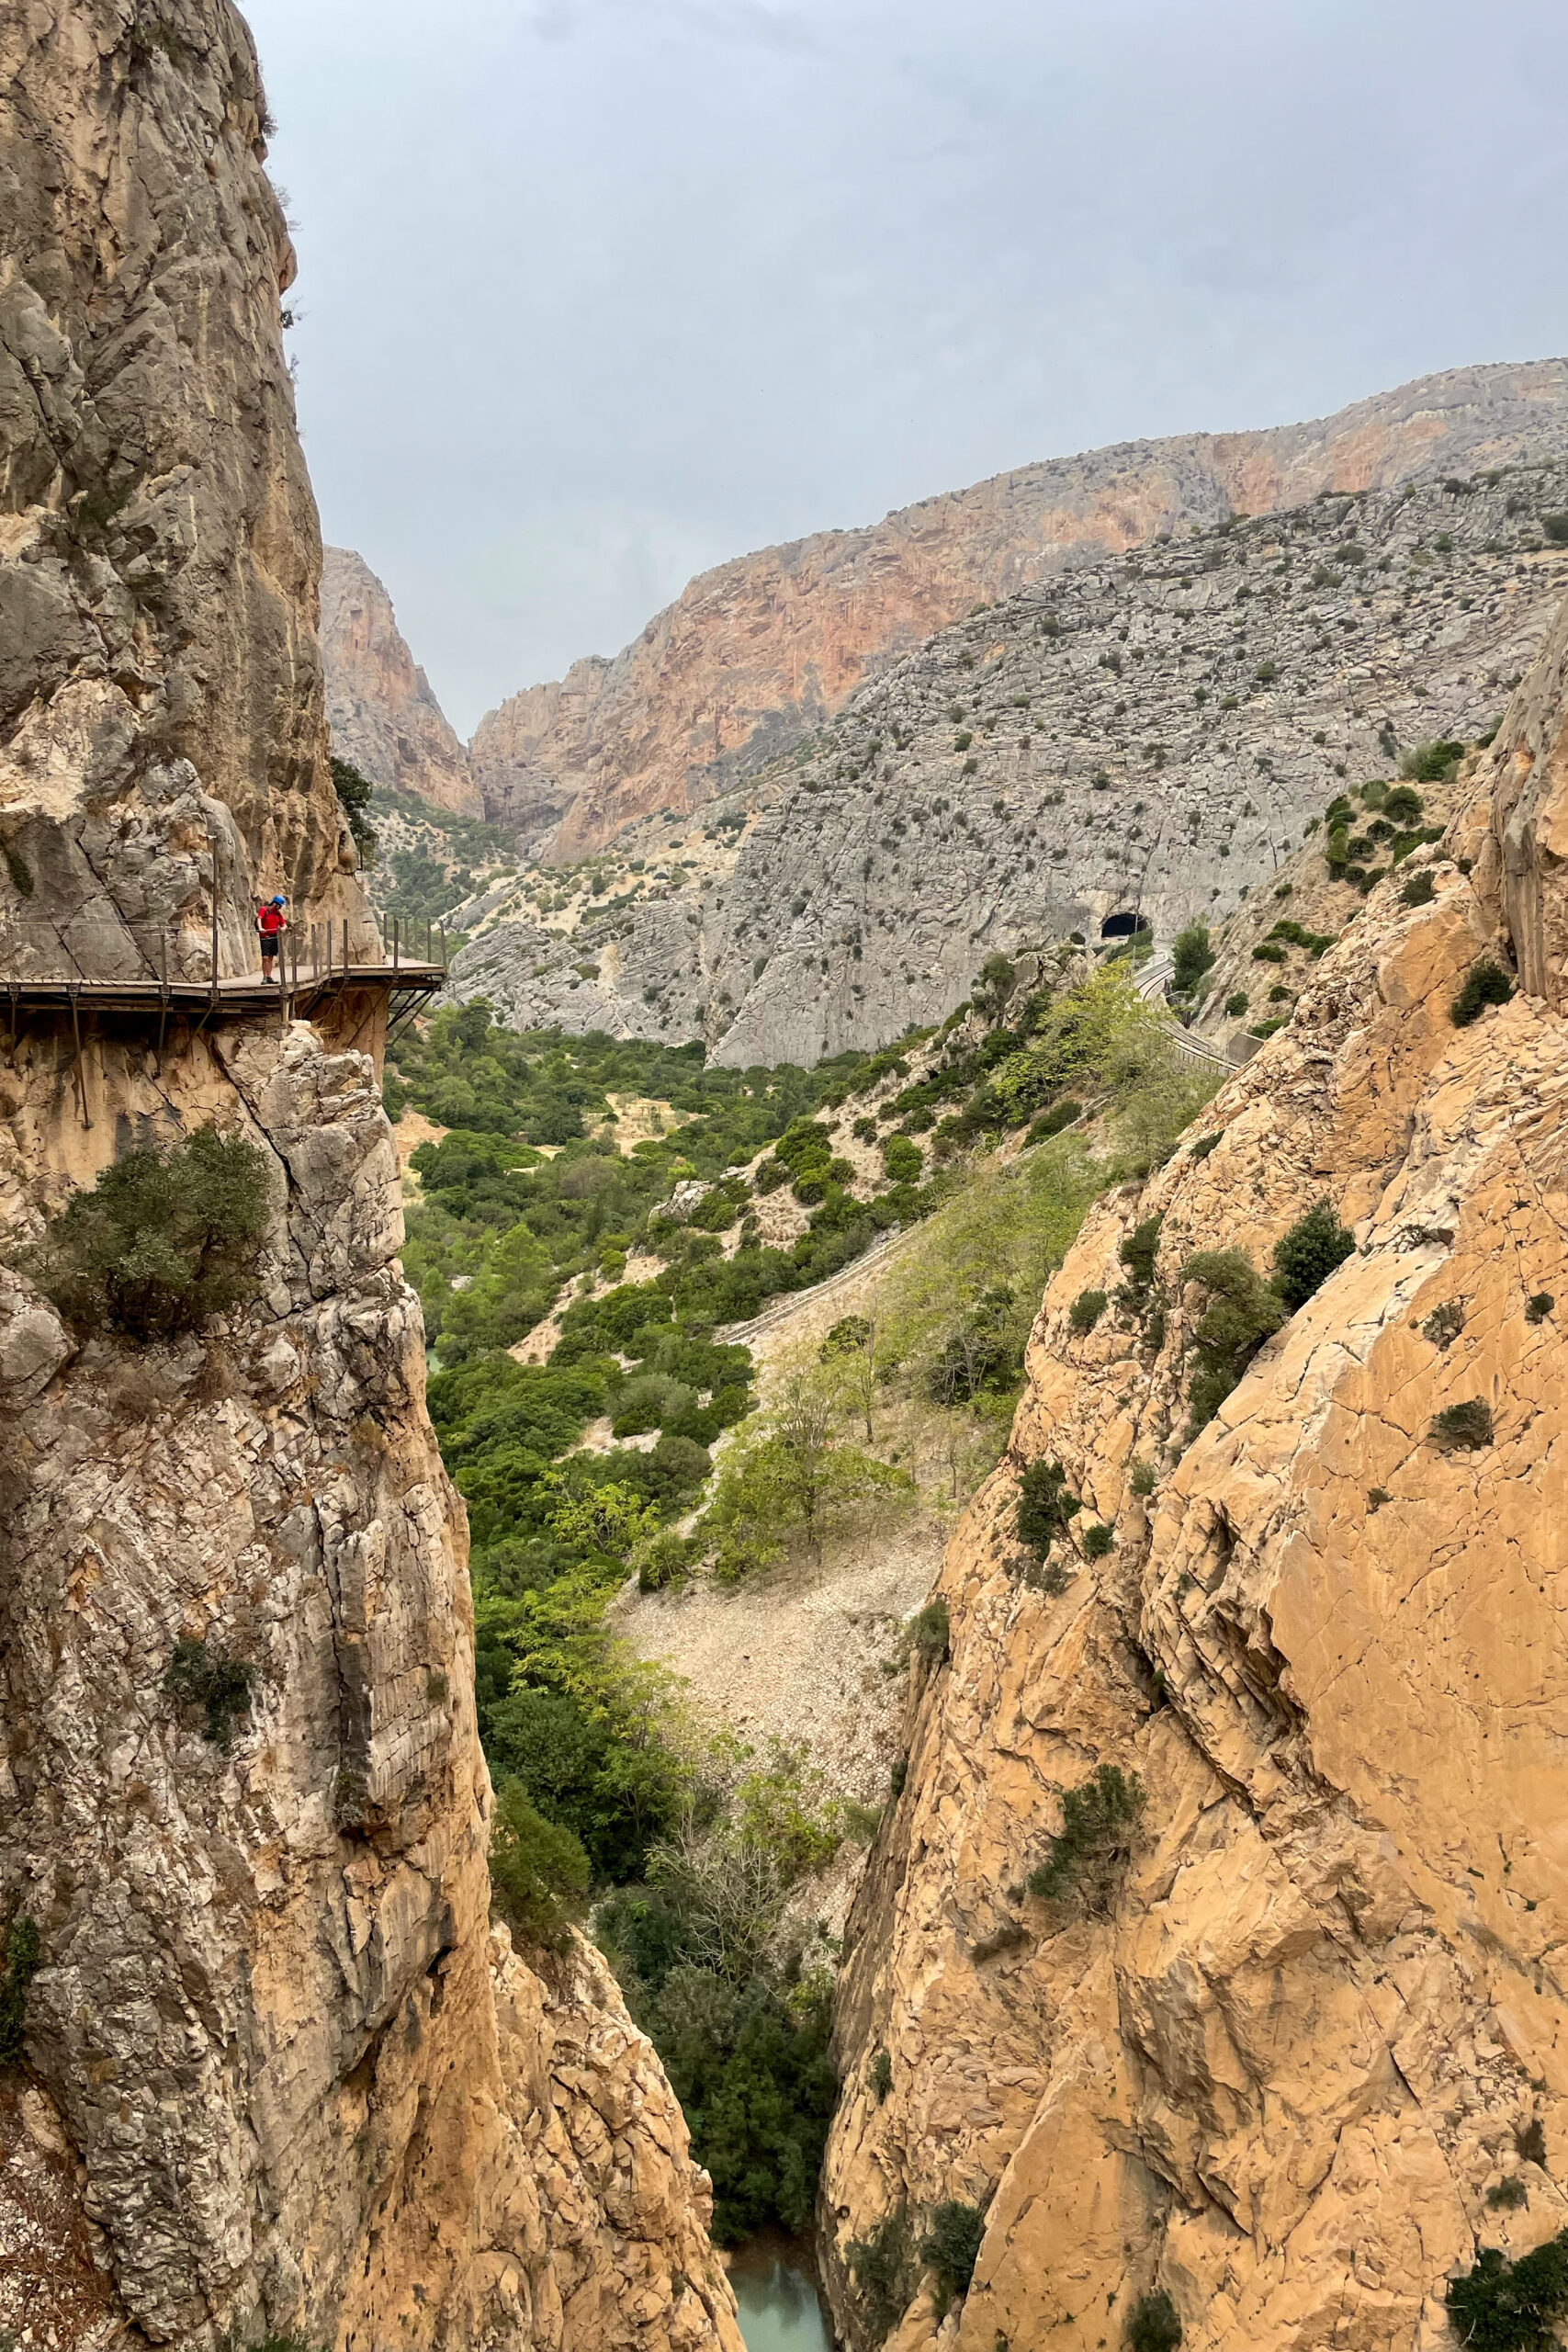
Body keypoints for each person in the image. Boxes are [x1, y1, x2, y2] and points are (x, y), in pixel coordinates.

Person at [256, 894, 288, 979]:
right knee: (265, 957)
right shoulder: (264, 909)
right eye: (279, 906)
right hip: (265, 936)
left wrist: (283, 928)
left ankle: (269, 976)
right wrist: (260, 928)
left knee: (270, 957)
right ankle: (265, 976)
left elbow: (284, 924)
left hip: (274, 937)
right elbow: (259, 918)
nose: (280, 907)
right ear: (275, 904)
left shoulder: (278, 914)